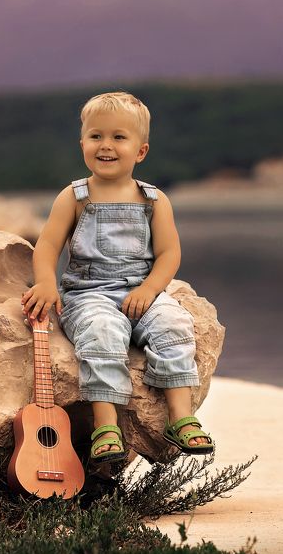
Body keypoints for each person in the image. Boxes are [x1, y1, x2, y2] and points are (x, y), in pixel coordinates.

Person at [21, 91, 215, 467]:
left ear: (140, 151)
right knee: (102, 332)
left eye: (118, 138)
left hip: (140, 290)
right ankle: (106, 425)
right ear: (82, 144)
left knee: (173, 324)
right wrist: (46, 283)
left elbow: (168, 254)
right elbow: (46, 247)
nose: (105, 146)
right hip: (87, 293)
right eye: (96, 137)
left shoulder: (153, 199)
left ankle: (180, 417)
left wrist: (149, 289)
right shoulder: (75, 196)